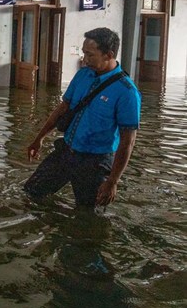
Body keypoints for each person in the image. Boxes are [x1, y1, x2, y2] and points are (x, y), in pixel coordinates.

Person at [25, 27, 141, 208]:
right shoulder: (83, 75)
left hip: (95, 162)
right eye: (84, 53)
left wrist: (112, 181)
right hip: (66, 151)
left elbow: (128, 141)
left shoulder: (127, 92)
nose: (85, 60)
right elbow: (63, 108)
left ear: (108, 54)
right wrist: (39, 138)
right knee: (32, 191)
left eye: (90, 55)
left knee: (87, 213)